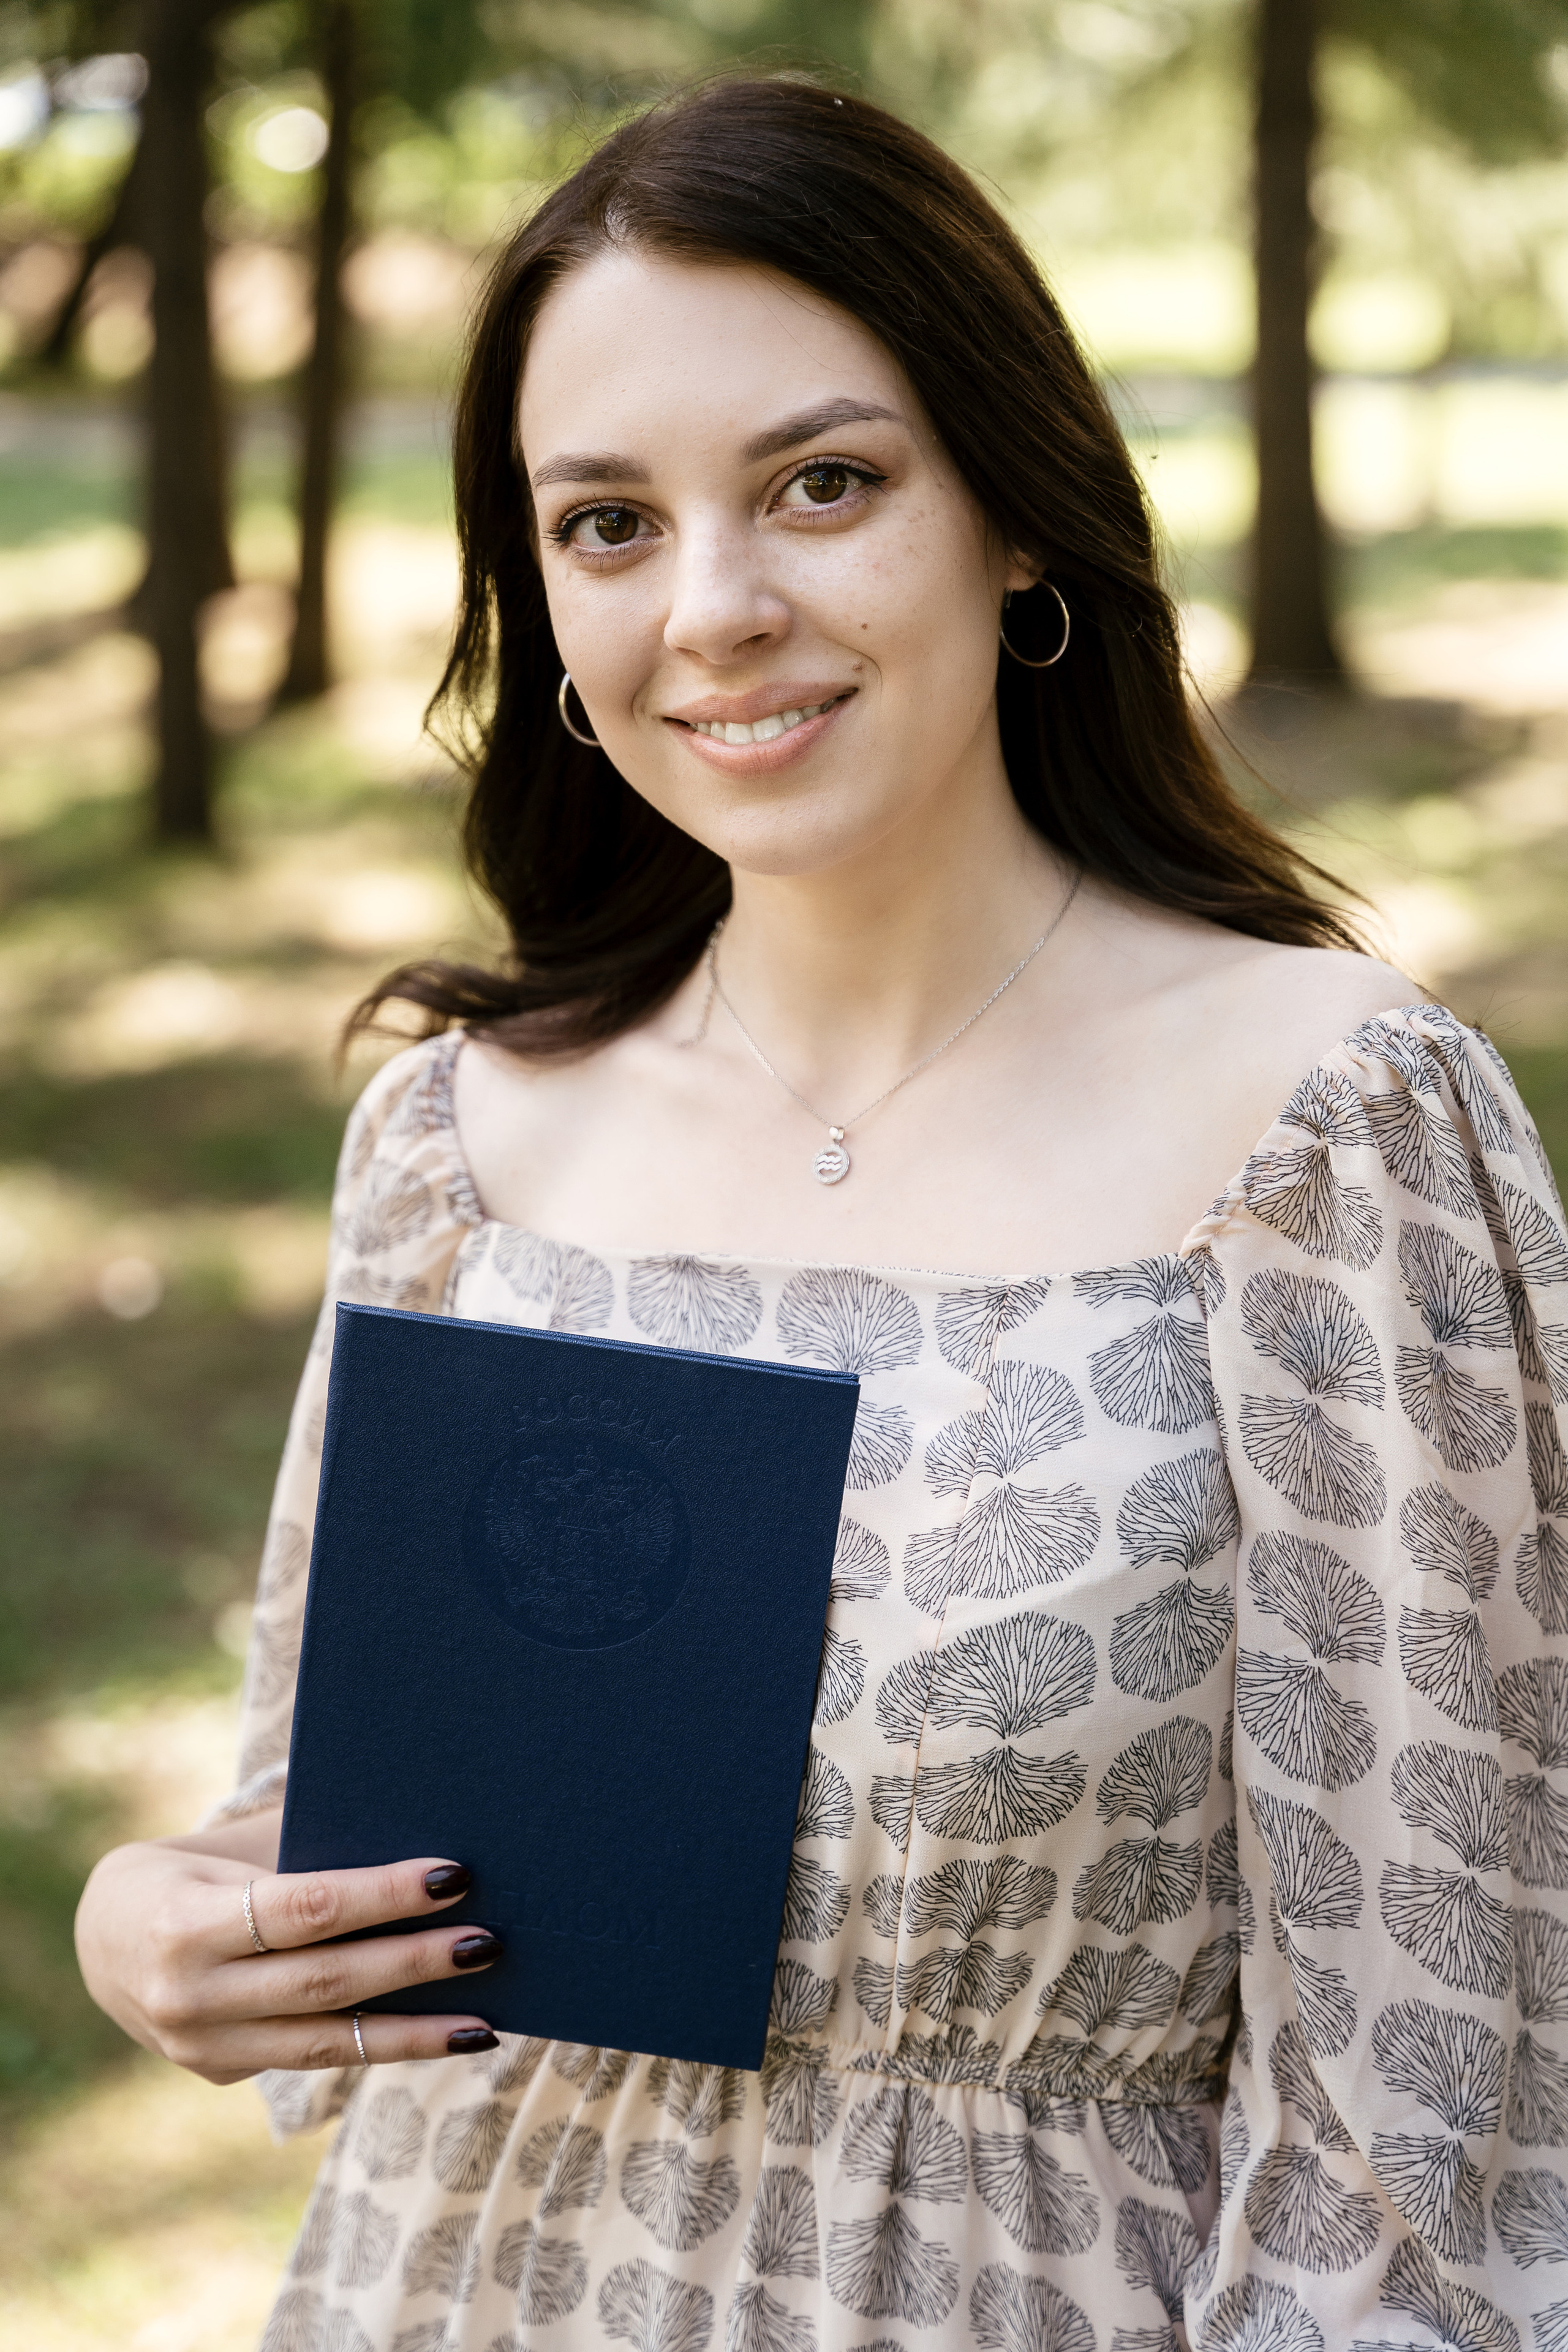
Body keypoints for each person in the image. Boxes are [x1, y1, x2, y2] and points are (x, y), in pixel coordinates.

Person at [77, 75, 1568, 2352]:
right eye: (606, 524)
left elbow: (1453, 2082)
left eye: (825, 483)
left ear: (1020, 514)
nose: (718, 611)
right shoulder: (460, 1149)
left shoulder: (1331, 1133)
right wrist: (149, 1927)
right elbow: (312, 1828)